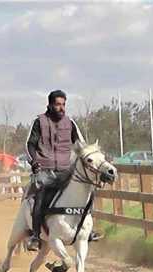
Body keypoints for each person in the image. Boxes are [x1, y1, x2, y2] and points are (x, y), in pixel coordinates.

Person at [25, 90, 101, 251]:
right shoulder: (39, 122)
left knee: (87, 192)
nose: (61, 108)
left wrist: (92, 159)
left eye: (64, 104)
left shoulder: (70, 123)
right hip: (44, 170)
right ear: (50, 105)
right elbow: (29, 145)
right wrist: (34, 163)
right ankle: (35, 236)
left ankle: (87, 230)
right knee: (40, 196)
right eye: (58, 104)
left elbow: (81, 145)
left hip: (66, 170)